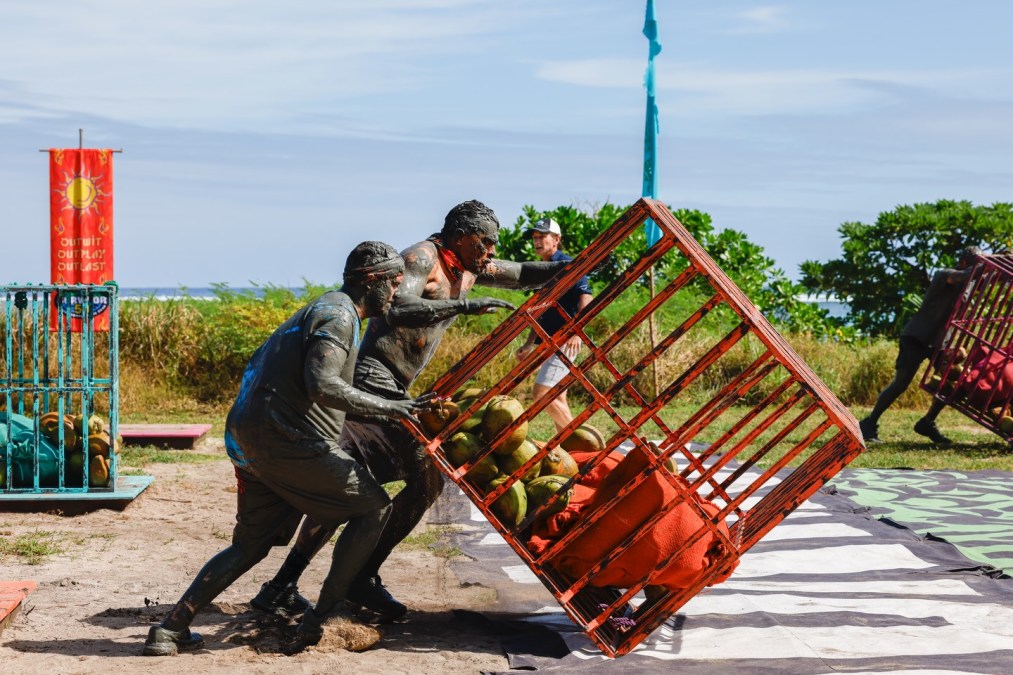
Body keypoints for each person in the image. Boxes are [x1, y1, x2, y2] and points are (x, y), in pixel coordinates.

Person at [250, 199, 568, 621]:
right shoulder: (422, 258)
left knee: (353, 484)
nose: (492, 250)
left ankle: (284, 585)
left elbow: (524, 274)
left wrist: (574, 267)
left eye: (493, 244)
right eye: (485, 242)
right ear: (461, 235)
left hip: (396, 385)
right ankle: (357, 577)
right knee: (423, 481)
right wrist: (462, 305)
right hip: (371, 379)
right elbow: (397, 307)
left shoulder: (472, 266)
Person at [142, 241, 437, 656]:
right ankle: (324, 616)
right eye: (392, 284)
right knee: (374, 508)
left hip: (250, 438)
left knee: (250, 545)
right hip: (280, 439)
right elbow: (324, 384)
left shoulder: (328, 309)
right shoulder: (338, 317)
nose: (395, 293)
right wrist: (395, 407)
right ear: (372, 282)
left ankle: (170, 629)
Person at [859, 246, 982, 445]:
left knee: (950, 384)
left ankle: (927, 422)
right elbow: (962, 277)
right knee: (901, 383)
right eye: (977, 265)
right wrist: (985, 267)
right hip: (917, 337)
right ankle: (868, 424)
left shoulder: (968, 284)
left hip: (940, 344)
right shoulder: (946, 275)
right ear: (964, 263)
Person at [515, 217, 593, 433]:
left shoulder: (569, 265)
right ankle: (570, 449)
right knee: (558, 396)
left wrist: (578, 332)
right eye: (535, 237)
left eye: (542, 236)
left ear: (556, 239)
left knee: (542, 393)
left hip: (566, 340)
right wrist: (529, 343)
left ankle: (584, 442)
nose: (537, 241)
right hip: (548, 342)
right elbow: (539, 309)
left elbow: (586, 299)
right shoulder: (543, 270)